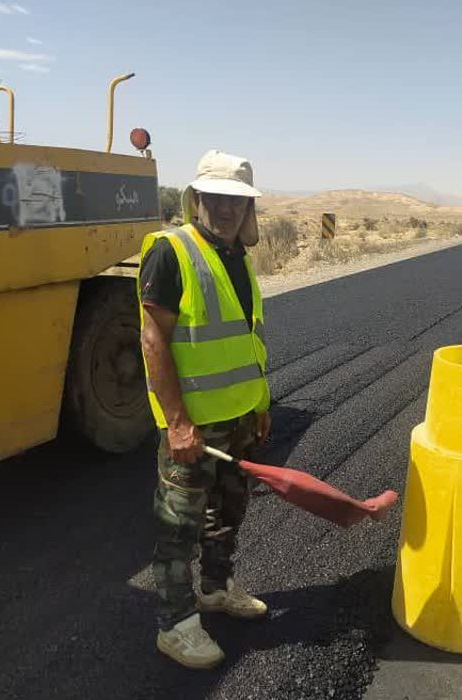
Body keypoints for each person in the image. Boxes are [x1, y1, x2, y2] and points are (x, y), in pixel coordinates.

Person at [138, 150, 271, 670]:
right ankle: (175, 624)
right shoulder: (173, 253)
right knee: (179, 527)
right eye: (214, 198)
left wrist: (259, 403)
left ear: (248, 208)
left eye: (236, 201)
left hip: (238, 418)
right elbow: (154, 342)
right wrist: (177, 423)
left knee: (227, 515)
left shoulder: (236, 258)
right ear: (196, 199)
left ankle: (216, 590)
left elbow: (249, 339)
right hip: (191, 426)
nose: (225, 208)